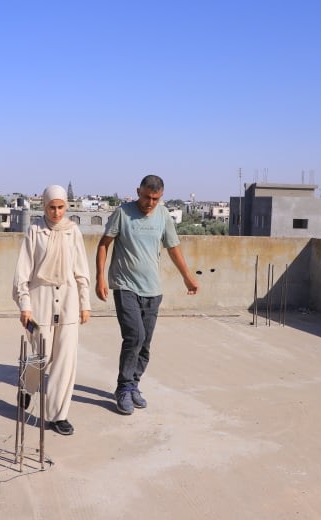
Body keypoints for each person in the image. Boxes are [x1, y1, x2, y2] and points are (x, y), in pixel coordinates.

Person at [95, 174, 199, 415]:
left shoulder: (163, 215)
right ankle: (123, 388)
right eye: (146, 197)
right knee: (134, 336)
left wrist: (187, 276)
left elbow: (173, 248)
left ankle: (133, 385)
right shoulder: (123, 213)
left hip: (153, 290)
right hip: (125, 286)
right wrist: (100, 277)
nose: (150, 203)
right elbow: (103, 244)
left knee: (145, 343)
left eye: (156, 198)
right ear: (138, 191)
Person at [12, 185, 91, 435]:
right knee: (40, 356)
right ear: (44, 206)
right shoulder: (35, 231)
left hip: (68, 304)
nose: (56, 213)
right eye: (51, 207)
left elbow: (81, 272)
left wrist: (84, 303)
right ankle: (27, 387)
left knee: (65, 362)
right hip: (39, 304)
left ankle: (58, 415)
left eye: (60, 207)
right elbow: (22, 275)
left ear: (66, 207)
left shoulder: (72, 232)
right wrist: (25, 306)